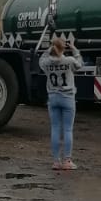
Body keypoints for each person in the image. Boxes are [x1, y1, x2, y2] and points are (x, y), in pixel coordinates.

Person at [38, 32, 83, 171]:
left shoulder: (47, 63)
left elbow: (41, 59)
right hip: (67, 97)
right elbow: (79, 65)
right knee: (68, 129)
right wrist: (74, 49)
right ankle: (67, 160)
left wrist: (51, 47)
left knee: (55, 128)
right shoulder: (69, 61)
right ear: (64, 48)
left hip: (53, 97)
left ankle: (56, 161)